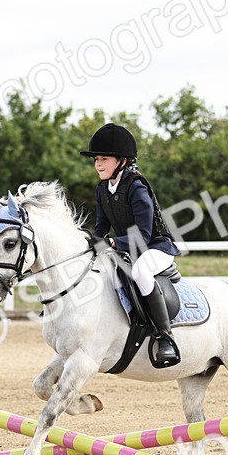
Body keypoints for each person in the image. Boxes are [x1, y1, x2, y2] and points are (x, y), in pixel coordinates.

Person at [82, 122, 181, 367]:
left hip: (156, 248)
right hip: (127, 247)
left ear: (122, 161)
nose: (98, 164)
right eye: (96, 159)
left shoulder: (136, 187)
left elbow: (144, 236)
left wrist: (112, 242)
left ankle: (164, 336)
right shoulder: (103, 189)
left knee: (140, 272)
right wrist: (91, 243)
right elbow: (102, 227)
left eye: (104, 158)